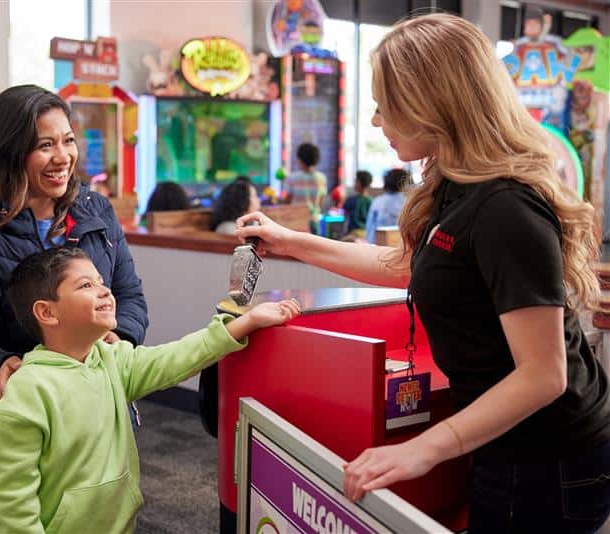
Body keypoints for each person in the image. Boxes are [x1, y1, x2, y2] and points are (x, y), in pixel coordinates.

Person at [236, 14, 610, 533]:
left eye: (385, 106)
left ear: (432, 103)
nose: (374, 123)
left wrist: (425, 450)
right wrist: (292, 242)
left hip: (549, 455)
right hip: (505, 442)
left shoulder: (506, 207)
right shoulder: (456, 185)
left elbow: (544, 375)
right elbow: (410, 267)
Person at [0, 246, 300, 532]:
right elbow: (13, 502)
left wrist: (243, 323)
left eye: (100, 281)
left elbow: (173, 359)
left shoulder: (112, 360)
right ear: (47, 312)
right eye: (85, 285)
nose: (105, 291)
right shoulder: (28, 390)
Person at [0, 85, 149, 483]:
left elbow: (128, 294)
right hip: (20, 423)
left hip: (101, 413)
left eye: (68, 141)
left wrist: (122, 338)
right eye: (45, 145)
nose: (63, 157)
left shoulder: (96, 211)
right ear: (9, 152)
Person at [284, 142, 327, 231]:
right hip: (314, 221)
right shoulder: (322, 178)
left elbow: (287, 202)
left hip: (296, 223)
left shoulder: (292, 178)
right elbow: (320, 202)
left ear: (300, 159)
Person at [364, 168, 409, 243]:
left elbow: (369, 229)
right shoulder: (407, 202)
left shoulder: (377, 202)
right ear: (404, 183)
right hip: (401, 246)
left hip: (378, 246)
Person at [342, 170, 373, 236]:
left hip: (354, 233)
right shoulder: (372, 201)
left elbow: (345, 215)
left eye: (356, 181)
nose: (354, 183)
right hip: (367, 234)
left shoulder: (351, 200)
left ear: (360, 183)